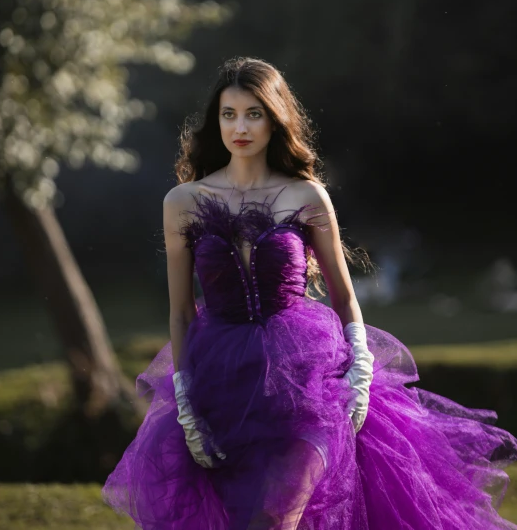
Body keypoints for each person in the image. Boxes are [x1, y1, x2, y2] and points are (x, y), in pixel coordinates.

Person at [102, 57, 517, 530]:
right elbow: (179, 313)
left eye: (254, 113)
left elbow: (344, 296)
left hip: (310, 381)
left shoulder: (306, 195)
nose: (240, 126)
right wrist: (186, 399)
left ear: (275, 117)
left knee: (276, 522)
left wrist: (359, 373)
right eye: (228, 113)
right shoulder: (183, 202)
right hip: (223, 387)